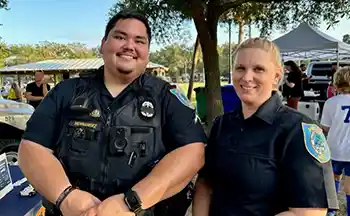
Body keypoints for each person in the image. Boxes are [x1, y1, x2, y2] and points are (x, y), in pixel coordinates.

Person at [18, 9, 206, 216]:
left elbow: (193, 152)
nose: (130, 46)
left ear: (148, 52)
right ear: (103, 44)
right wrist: (66, 197)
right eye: (120, 37)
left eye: (140, 41)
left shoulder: (166, 97)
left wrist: (131, 202)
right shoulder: (66, 92)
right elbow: (31, 148)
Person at [192, 38, 338, 216]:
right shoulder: (221, 125)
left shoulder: (298, 130)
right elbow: (205, 184)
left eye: (258, 69)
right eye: (240, 68)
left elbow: (308, 212)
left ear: (276, 76)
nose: (247, 77)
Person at [321, 66, 350, 216]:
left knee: (333, 181)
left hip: (334, 149)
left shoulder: (331, 102)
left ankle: (331, 211)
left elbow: (325, 127)